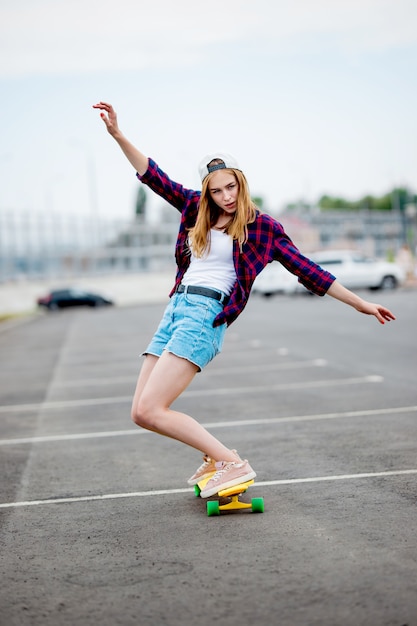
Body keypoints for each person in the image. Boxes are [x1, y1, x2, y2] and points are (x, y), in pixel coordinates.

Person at [93, 101, 396, 498]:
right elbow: (154, 176)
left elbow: (309, 271)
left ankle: (231, 463)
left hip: (205, 314)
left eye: (231, 186)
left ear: (241, 182)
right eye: (216, 191)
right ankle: (218, 458)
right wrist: (118, 135)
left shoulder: (263, 227)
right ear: (207, 192)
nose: (225, 196)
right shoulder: (193, 209)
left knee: (152, 408)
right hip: (176, 309)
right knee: (139, 413)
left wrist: (361, 303)